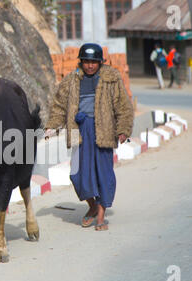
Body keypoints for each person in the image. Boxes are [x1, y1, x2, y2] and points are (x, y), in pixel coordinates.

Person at [44, 43, 134, 231]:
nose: (90, 65)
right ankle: (92, 206)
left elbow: (123, 106)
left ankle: (100, 216)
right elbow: (60, 106)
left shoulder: (112, 78)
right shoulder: (71, 80)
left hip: (104, 129)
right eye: (87, 61)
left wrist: (123, 129)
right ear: (81, 62)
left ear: (100, 62)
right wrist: (52, 126)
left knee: (103, 174)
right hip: (79, 129)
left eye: (94, 62)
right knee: (77, 175)